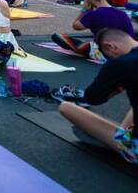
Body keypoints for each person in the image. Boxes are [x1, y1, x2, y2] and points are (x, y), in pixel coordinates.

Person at [58, 28, 137, 164]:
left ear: (110, 47)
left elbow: (93, 98)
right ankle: (124, 132)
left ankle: (123, 138)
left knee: (66, 107)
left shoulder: (121, 64)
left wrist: (117, 88)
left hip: (135, 148)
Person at [51, 0, 135, 57]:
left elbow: (75, 26)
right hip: (128, 50)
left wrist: (84, 9)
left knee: (58, 37)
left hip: (105, 52)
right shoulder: (122, 14)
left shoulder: (93, 14)